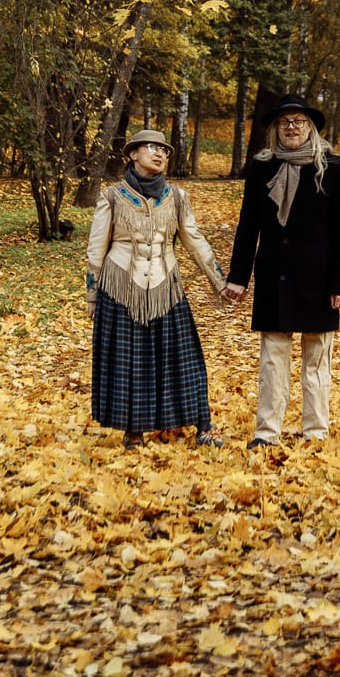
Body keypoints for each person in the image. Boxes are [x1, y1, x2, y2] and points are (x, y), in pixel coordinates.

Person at [224, 93, 340, 446]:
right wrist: (238, 277)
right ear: (276, 129)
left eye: (298, 121)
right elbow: (247, 225)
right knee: (272, 361)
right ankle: (267, 433)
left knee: (316, 362)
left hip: (319, 279)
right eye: (285, 122)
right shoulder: (262, 167)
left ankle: (315, 432)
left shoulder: (333, 167)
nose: (291, 128)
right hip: (274, 277)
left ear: (309, 126)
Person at [86, 128, 228, 448]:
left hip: (166, 286)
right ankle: (133, 431)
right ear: (133, 154)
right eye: (151, 147)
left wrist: (219, 282)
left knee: (184, 357)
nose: (160, 153)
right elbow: (96, 249)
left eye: (164, 149)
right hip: (122, 287)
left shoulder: (177, 197)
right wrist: (92, 294)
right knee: (130, 362)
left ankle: (204, 425)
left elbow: (194, 241)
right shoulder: (111, 196)